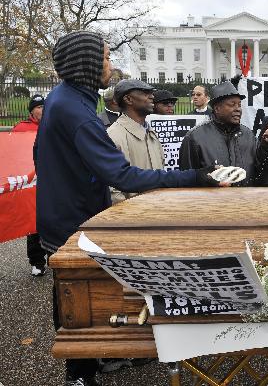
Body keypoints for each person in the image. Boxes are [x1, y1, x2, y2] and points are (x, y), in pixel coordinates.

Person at [34, 30, 224, 386]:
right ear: (86, 62)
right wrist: (196, 176)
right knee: (75, 297)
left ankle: (90, 363)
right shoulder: (76, 110)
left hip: (66, 213)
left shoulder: (63, 99)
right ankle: (78, 374)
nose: (111, 64)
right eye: (105, 57)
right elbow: (123, 175)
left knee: (73, 293)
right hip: (72, 222)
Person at [179, 80, 268, 186]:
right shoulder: (194, 138)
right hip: (212, 201)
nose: (238, 109)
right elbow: (187, 179)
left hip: (245, 200)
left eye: (239, 105)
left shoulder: (248, 134)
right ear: (217, 108)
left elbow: (261, 169)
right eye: (232, 104)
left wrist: (266, 146)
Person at [107, 80, 165, 203]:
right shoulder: (114, 135)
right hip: (134, 216)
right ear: (128, 99)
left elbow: (161, 172)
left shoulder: (151, 132)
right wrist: (130, 217)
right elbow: (112, 190)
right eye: (145, 93)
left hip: (159, 209)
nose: (152, 96)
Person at [12, 94, 47, 276]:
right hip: (31, 182)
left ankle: (54, 255)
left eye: (44, 106)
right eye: (38, 107)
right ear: (32, 110)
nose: (42, 110)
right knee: (32, 223)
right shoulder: (21, 128)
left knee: (52, 219)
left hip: (50, 180)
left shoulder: (53, 125)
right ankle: (37, 261)